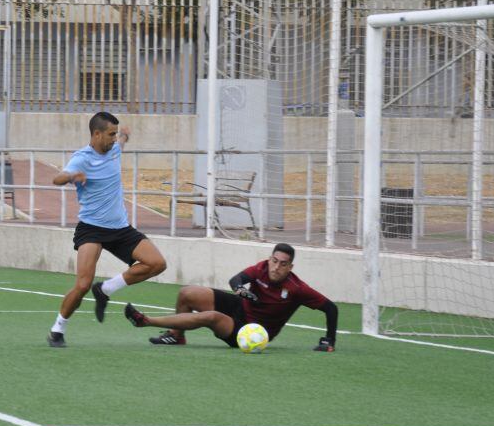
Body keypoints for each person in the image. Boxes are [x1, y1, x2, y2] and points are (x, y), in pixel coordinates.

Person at [47, 111, 167, 348]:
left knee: (157, 264)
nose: (113, 139)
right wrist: (72, 176)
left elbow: (121, 142)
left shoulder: (114, 150)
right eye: (110, 134)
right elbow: (57, 179)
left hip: (120, 228)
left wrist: (124, 135)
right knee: (82, 285)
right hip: (91, 228)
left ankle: (105, 289)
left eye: (115, 134)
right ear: (96, 134)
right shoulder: (82, 158)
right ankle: (58, 328)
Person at [123, 242, 338, 352]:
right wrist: (241, 291)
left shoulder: (297, 288)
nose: (276, 267)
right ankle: (176, 336)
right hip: (241, 307)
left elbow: (331, 308)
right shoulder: (261, 268)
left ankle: (146, 321)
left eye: (283, 264)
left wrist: (329, 340)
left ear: (290, 266)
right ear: (270, 258)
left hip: (252, 331)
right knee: (187, 293)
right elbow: (236, 280)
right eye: (274, 260)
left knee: (212, 317)